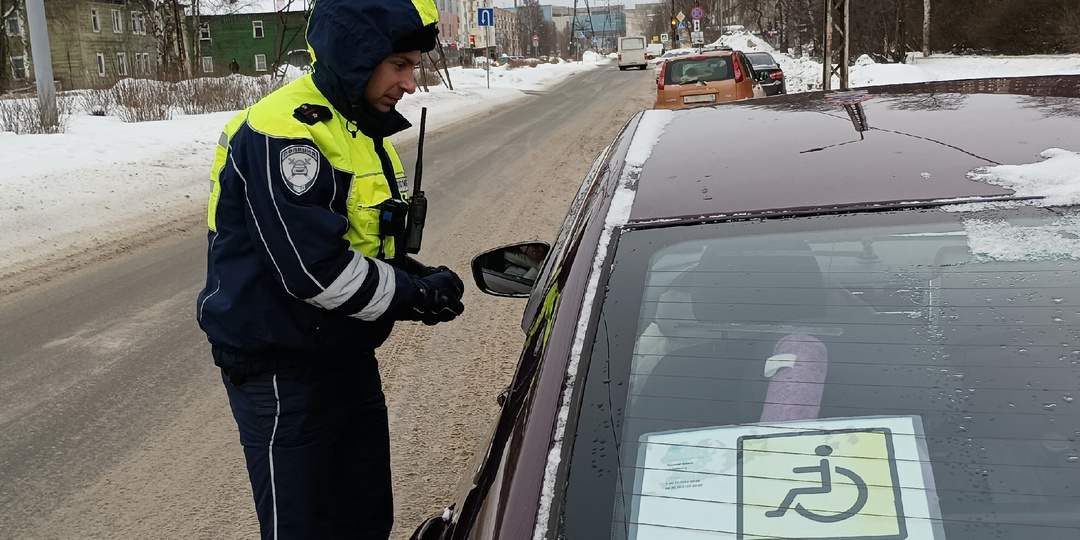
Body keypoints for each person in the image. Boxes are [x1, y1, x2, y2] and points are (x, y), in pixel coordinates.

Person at [195, 1, 459, 538]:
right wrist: (413, 294)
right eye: (399, 65)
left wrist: (414, 272)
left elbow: (356, 240)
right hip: (281, 371)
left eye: (414, 66)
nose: (411, 83)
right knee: (305, 527)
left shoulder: (353, 124)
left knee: (363, 518)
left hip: (342, 352)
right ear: (357, 56)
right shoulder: (285, 131)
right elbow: (315, 272)